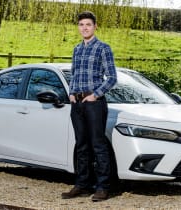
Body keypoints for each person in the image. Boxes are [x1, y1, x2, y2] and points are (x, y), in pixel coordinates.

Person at [61, 11, 117, 202]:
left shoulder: (103, 48)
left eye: (88, 24)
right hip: (76, 103)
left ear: (95, 27)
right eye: (81, 24)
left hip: (94, 104)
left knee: (98, 145)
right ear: (79, 27)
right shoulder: (77, 49)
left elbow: (112, 78)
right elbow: (74, 74)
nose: (84, 27)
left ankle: (103, 187)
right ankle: (82, 184)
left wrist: (95, 95)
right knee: (81, 145)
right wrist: (70, 92)